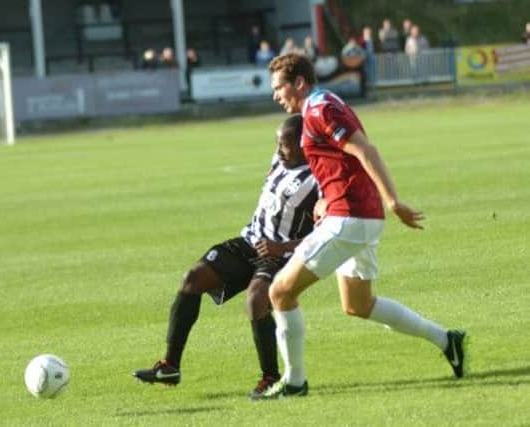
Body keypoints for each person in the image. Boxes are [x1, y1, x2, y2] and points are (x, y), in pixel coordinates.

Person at [255, 53, 468, 399]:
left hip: (350, 218)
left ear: (299, 83)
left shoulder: (321, 108)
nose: (275, 95)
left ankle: (294, 382)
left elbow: (365, 150)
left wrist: (393, 200)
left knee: (280, 291)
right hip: (356, 216)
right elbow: (338, 163)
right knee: (358, 304)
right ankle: (447, 340)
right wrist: (325, 197)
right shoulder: (317, 108)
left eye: (279, 87)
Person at [133, 115, 319, 399]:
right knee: (193, 279)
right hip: (249, 242)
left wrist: (283, 248)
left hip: (280, 253)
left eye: (285, 144)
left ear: (304, 144)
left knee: (256, 299)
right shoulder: (279, 160)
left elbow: (327, 229)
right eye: (277, 143)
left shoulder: (316, 180)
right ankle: (170, 365)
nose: (279, 149)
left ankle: (271, 377)